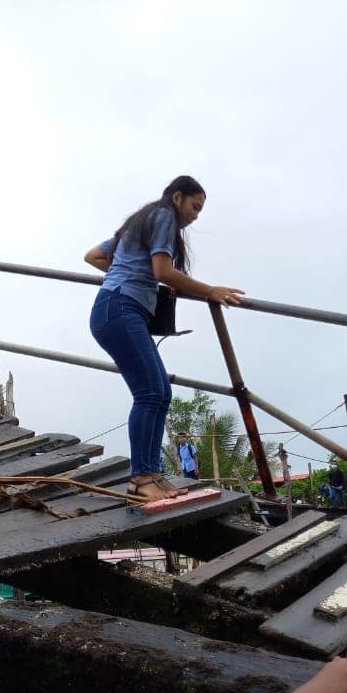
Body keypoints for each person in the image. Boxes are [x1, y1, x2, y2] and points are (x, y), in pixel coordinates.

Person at [84, 176, 244, 502]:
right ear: (177, 197)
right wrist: (210, 291)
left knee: (160, 392)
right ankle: (142, 479)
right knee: (150, 393)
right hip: (120, 309)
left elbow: (93, 256)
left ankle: (151, 475)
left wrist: (129, 271)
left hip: (118, 310)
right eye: (194, 207)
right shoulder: (164, 218)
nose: (195, 216)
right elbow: (162, 271)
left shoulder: (141, 222)